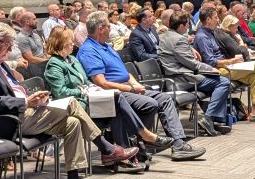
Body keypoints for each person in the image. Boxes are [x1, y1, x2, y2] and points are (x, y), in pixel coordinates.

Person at [0, 22, 138, 179]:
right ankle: (107, 149)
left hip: (24, 112)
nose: (10, 49)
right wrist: (26, 102)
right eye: (8, 44)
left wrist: (34, 98)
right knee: (71, 103)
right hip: (7, 120)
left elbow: (12, 90)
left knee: (73, 123)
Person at [43, 27, 172, 171]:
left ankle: (122, 156)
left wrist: (91, 87)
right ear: (61, 43)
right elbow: (61, 92)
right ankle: (142, 136)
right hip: (77, 106)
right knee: (116, 99)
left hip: (89, 100)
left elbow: (86, 80)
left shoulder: (72, 59)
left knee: (116, 105)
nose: (73, 44)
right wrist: (82, 91)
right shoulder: (54, 64)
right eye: (70, 41)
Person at [159, 12, 235, 132]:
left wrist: (190, 48)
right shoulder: (179, 40)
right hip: (182, 80)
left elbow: (177, 52)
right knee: (223, 82)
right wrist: (210, 69)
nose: (188, 28)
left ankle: (214, 120)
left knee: (219, 83)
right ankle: (209, 119)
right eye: (187, 25)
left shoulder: (164, 36)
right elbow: (192, 64)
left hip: (175, 77)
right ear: (181, 26)